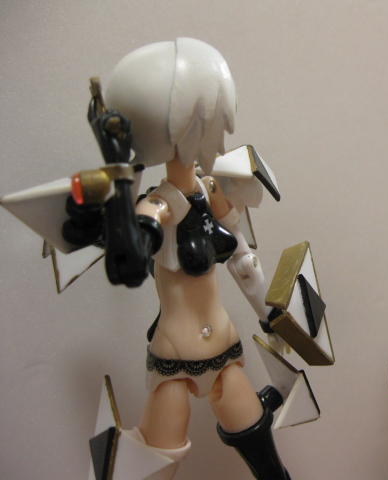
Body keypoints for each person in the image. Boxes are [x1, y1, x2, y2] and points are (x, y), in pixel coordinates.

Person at [80, 38, 290, 480]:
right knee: (157, 459)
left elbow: (243, 259)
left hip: (224, 347)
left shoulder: (212, 189)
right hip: (175, 355)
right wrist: (122, 181)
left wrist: (273, 316)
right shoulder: (157, 205)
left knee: (262, 451)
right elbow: (129, 263)